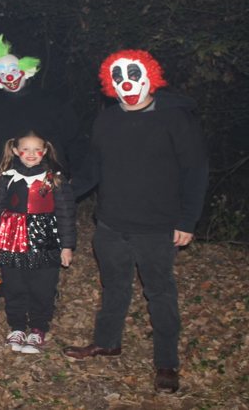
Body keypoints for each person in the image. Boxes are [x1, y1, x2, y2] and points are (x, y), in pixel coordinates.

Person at [62, 50, 209, 393]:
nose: (126, 82)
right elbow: (93, 170)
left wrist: (188, 219)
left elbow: (196, 170)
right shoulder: (107, 120)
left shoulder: (175, 118)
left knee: (160, 293)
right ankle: (107, 342)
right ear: (108, 83)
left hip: (157, 227)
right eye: (118, 77)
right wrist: (60, 193)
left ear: (150, 76)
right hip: (111, 224)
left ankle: (167, 363)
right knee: (114, 287)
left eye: (133, 74)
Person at [0, 130, 76, 354]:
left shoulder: (54, 180)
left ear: (45, 152)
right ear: (16, 151)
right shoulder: (7, 178)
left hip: (45, 239)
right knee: (14, 284)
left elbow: (65, 214)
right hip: (11, 238)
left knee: (42, 285)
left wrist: (66, 246)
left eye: (37, 150)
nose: (31, 154)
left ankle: (38, 328)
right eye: (26, 149)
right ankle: (17, 326)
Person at [0, 34, 87, 178]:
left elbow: (77, 145)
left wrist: (77, 183)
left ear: (25, 69)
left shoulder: (53, 103)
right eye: (2, 73)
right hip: (0, 187)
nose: (9, 77)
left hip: (50, 186)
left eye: (13, 70)